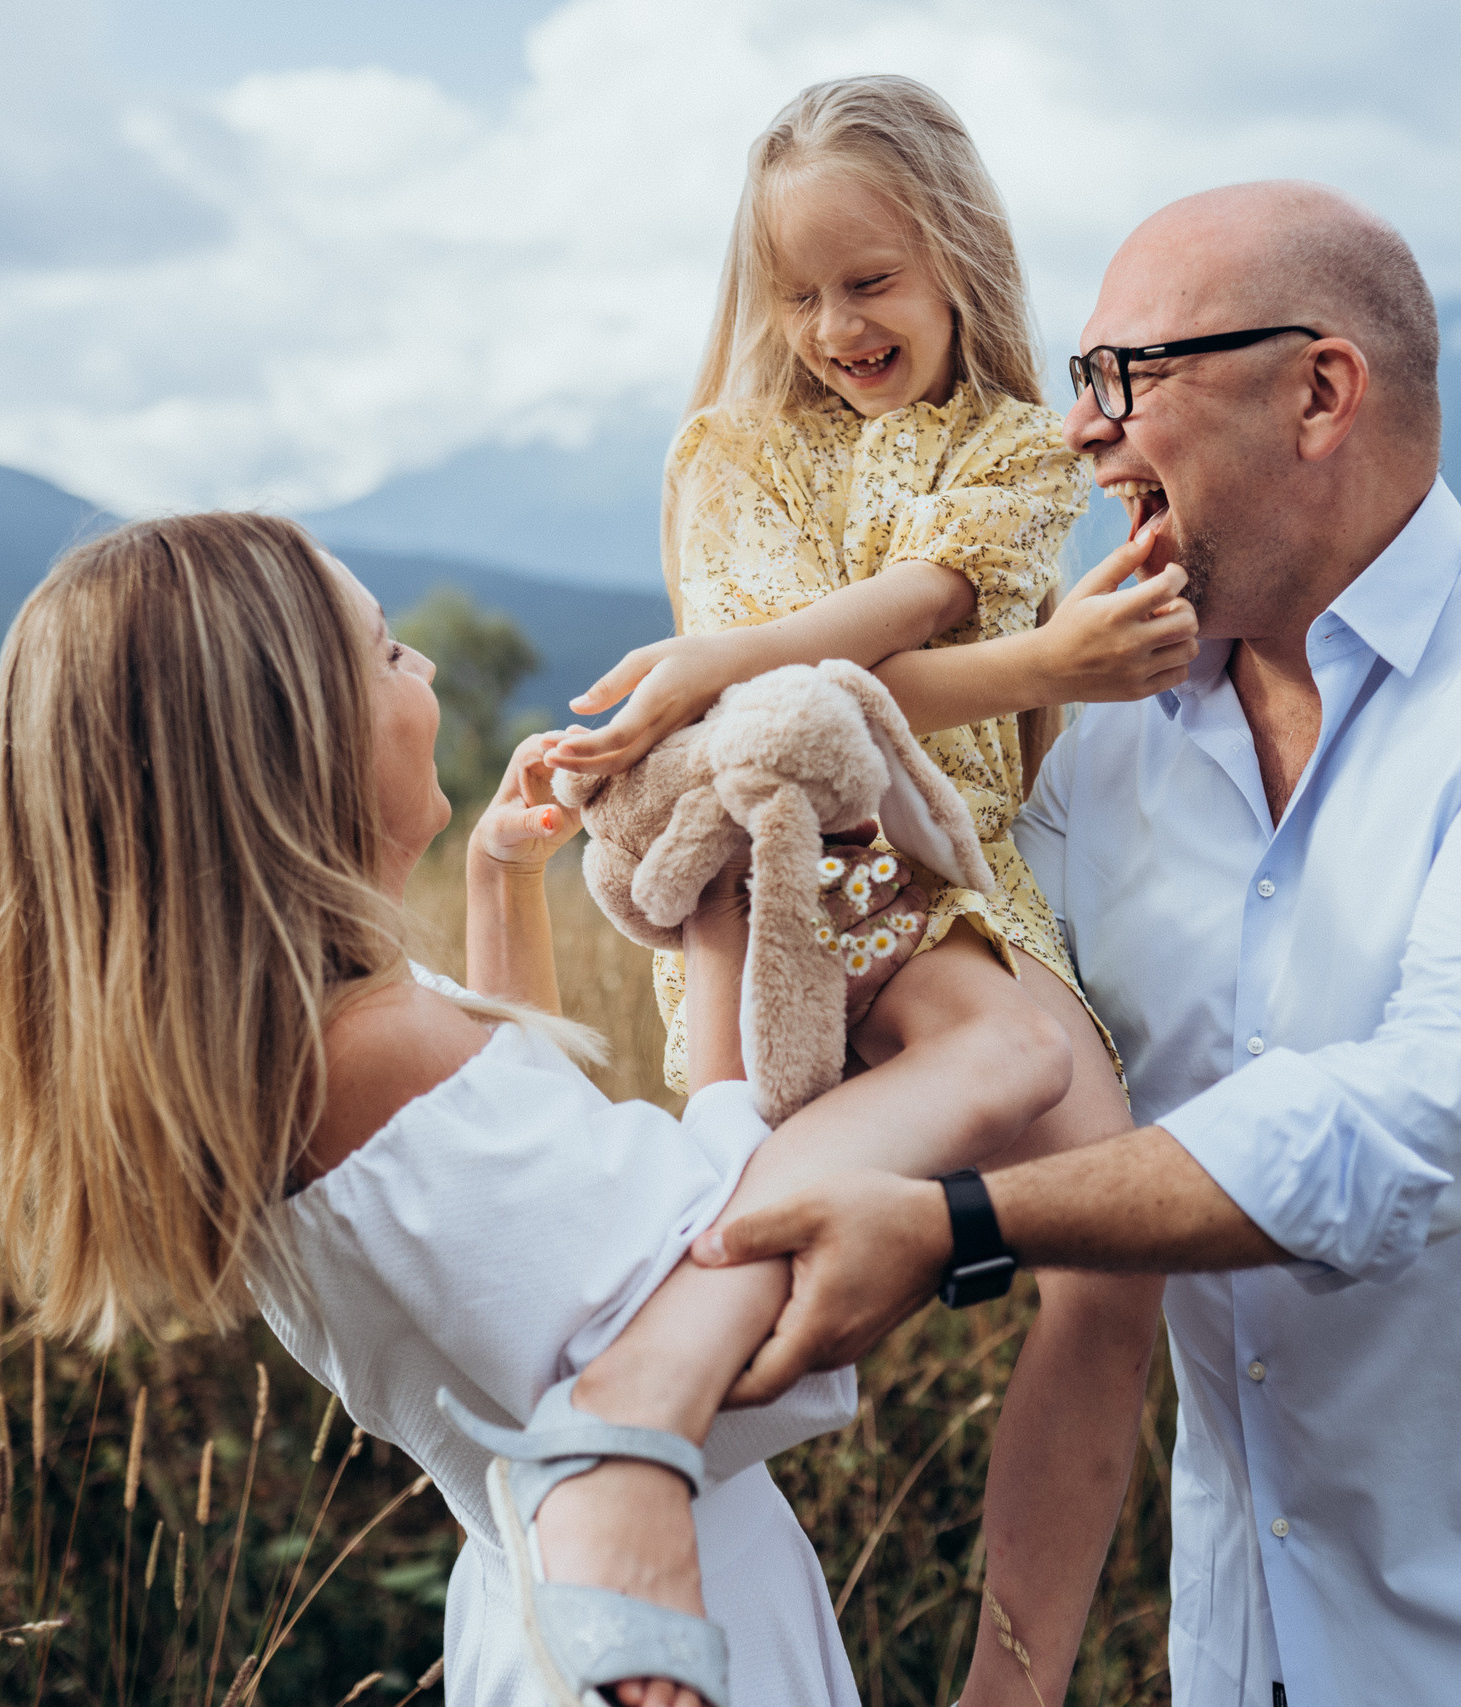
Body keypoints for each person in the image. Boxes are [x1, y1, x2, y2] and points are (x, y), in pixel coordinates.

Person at [694, 182, 1461, 1707]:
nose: (1084, 430)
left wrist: (957, 1221)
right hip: (1258, 1662)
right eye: (1080, 378)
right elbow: (947, 1002)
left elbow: (1413, 1126)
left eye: (1128, 379)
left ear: (1318, 390)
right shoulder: (1103, 744)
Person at [0, 513, 1144, 1707]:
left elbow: (523, 1244)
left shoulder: (300, 1056)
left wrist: (501, 881)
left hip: (548, 1598)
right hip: (657, 1612)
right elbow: (713, 1266)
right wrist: (724, 934)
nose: (420, 670)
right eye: (383, 655)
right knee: (1014, 1055)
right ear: (287, 748)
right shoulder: (370, 1053)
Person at [548, 76, 1196, 1701]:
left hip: (958, 877)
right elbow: (794, 726)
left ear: (958, 258)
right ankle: (657, 1372)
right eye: (800, 291)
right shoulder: (734, 450)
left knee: (1115, 1235)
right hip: (795, 861)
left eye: (870, 280)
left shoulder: (1014, 450)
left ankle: (1012, 1678)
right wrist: (1045, 667)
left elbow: (908, 613)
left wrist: (726, 660)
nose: (835, 322)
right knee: (999, 1059)